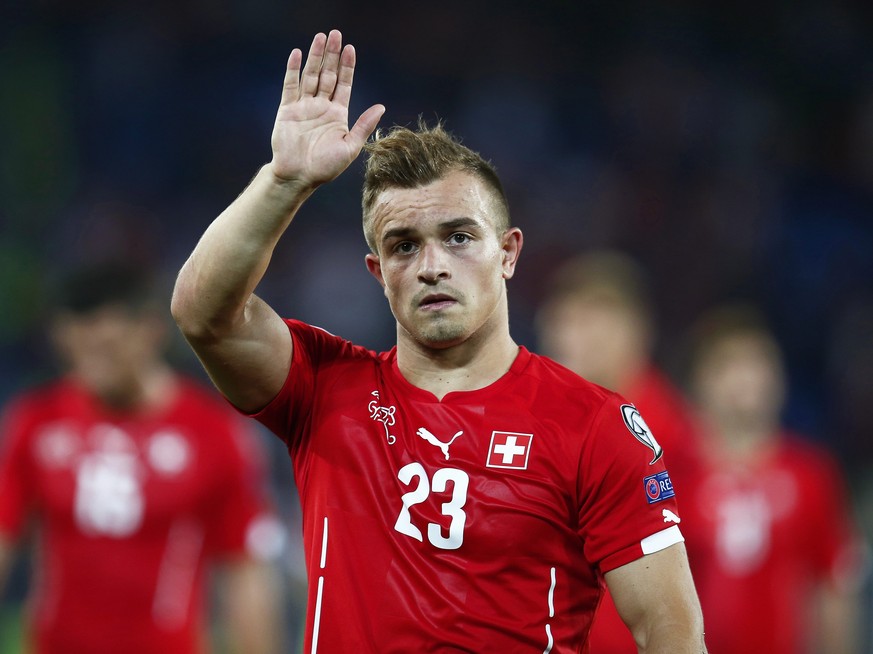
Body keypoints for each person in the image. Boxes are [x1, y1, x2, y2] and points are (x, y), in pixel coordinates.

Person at [171, 30, 706, 653]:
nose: (432, 266)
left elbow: (669, 632)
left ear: (508, 253)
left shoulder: (596, 426)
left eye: (458, 236)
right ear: (377, 272)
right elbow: (203, 314)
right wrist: (284, 181)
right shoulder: (323, 388)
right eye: (403, 245)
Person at [0, 260, 285, 654]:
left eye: (109, 348)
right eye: (80, 348)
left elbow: (245, 572)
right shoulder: (35, 423)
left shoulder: (213, 432)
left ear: (149, 331)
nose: (93, 367)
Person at [535, 251, 704, 653]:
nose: (570, 336)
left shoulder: (663, 427)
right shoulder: (544, 417)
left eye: (589, 321)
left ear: (633, 331)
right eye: (564, 320)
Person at [680, 304, 863, 654]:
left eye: (759, 363)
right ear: (699, 382)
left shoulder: (811, 473)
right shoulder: (672, 477)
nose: (747, 377)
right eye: (728, 364)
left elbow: (834, 586)